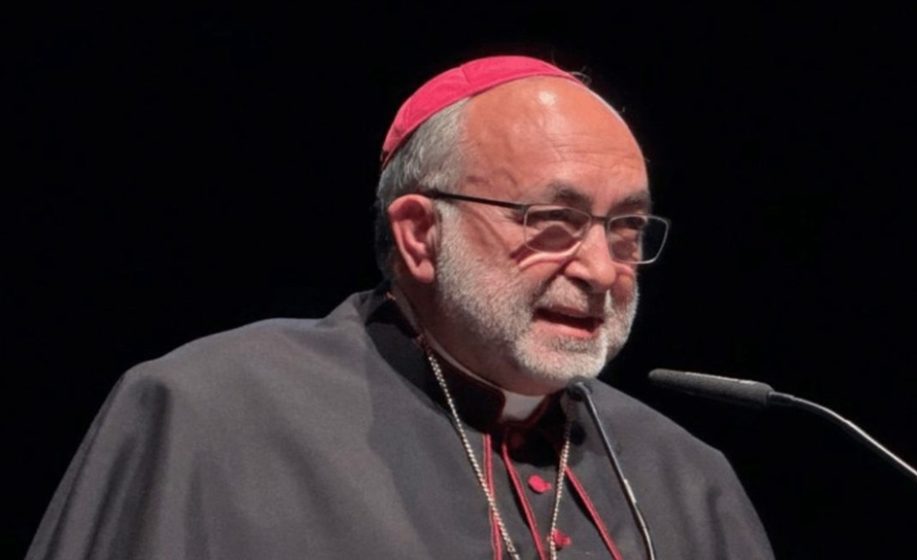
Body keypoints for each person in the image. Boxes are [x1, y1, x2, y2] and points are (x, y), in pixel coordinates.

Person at [26, 55, 774, 559]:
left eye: (626, 229)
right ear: (420, 234)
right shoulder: (209, 412)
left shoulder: (689, 481)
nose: (601, 269)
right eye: (553, 222)